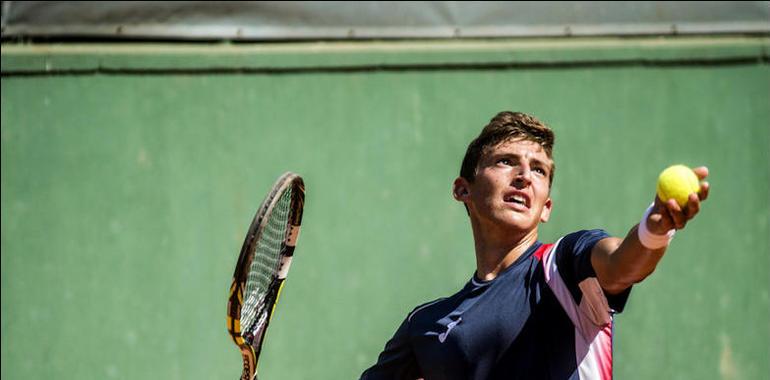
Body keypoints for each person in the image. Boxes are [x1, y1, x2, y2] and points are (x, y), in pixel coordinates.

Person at [360, 111, 709, 379]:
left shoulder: (563, 267)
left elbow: (621, 265)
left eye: (538, 170)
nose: (524, 176)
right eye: (506, 161)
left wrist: (654, 230)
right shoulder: (425, 325)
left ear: (546, 208)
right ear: (463, 189)